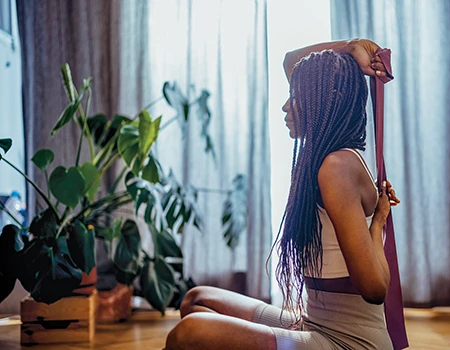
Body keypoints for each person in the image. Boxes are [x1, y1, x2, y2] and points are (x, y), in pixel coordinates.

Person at [164, 38, 400, 350]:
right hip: (314, 322)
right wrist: (353, 46)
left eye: (296, 96)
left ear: (325, 101)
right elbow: (292, 60)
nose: (286, 105)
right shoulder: (332, 153)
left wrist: (378, 223)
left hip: (348, 341)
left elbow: (375, 289)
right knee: (198, 300)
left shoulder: (336, 167)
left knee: (189, 333)